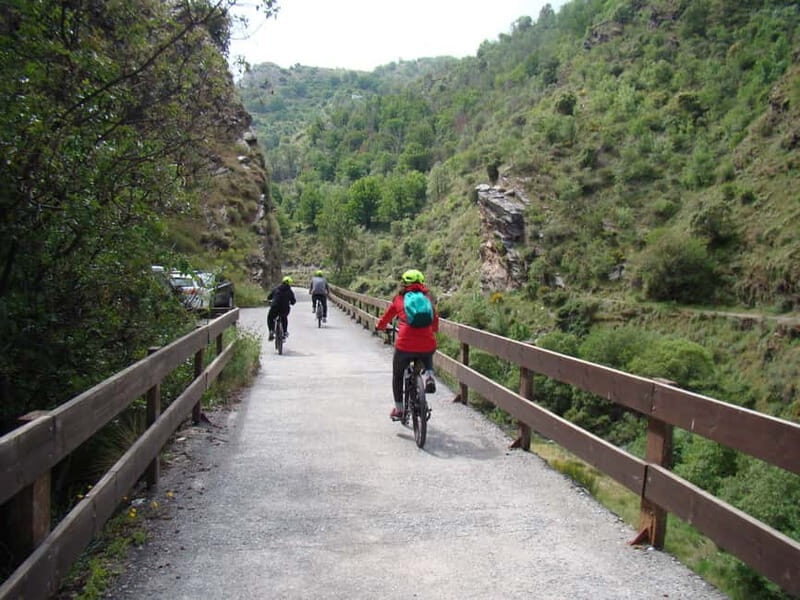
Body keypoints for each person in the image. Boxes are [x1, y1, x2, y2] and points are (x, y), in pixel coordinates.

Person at [375, 269, 438, 420]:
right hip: (426, 342)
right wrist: (432, 331)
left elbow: (386, 317)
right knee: (427, 351)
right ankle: (429, 375)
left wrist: (380, 326)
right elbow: (434, 321)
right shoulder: (428, 299)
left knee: (397, 376)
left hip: (404, 345)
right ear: (422, 283)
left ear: (403, 283)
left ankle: (399, 410)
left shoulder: (399, 299)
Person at [267, 276, 296, 341]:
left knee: (270, 317)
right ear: (289, 283)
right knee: (284, 318)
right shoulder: (290, 291)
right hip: (284, 309)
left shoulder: (276, 289)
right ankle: (285, 332)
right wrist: (291, 302)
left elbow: (269, 297)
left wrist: (269, 300)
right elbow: (293, 301)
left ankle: (271, 331)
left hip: (275, 307)